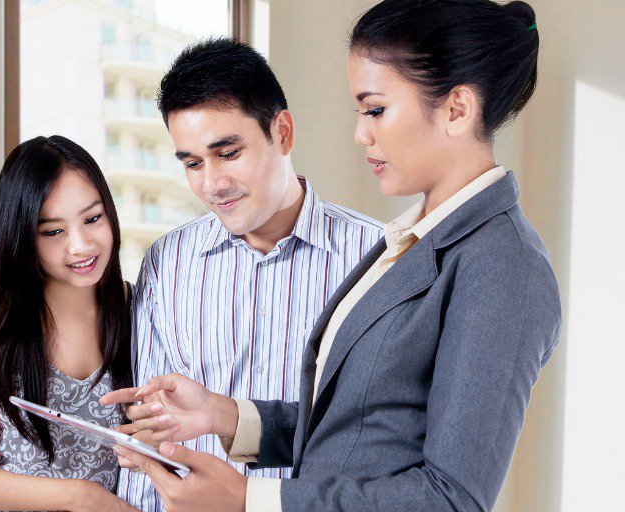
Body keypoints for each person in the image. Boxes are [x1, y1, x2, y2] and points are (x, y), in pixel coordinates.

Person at [103, 1, 561, 510]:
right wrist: (225, 415)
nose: (360, 133)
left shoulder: (503, 266)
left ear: (456, 109)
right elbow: (353, 426)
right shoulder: (410, 240)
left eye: (376, 110)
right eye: (359, 112)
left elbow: (452, 499)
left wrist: (251, 500)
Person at [113, 38, 384, 510]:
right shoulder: (166, 263)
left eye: (228, 153)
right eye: (193, 163)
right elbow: (152, 441)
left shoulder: (378, 259)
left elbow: (380, 435)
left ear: (282, 132)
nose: (212, 184)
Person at [0, 135, 139, 512]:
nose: (81, 245)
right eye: (53, 231)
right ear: (24, 237)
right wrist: (79, 496)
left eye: (93, 218)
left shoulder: (139, 309)